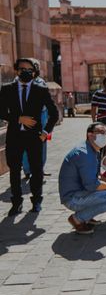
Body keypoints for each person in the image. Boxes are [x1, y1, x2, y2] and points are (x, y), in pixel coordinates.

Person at [0, 58, 59, 215]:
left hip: (34, 137)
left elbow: (54, 114)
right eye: (22, 68)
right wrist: (18, 118)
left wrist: (45, 133)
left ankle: (37, 200)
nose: (25, 71)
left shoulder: (40, 89)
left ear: (34, 72)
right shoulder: (7, 89)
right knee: (14, 170)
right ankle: (16, 202)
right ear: (16, 70)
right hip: (14, 136)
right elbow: (1, 111)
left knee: (36, 170)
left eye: (29, 69)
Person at [59, 122, 106, 234]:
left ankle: (87, 216)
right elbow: (92, 185)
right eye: (101, 132)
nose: (104, 136)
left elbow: (94, 177)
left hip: (81, 192)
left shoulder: (93, 149)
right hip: (73, 198)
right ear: (90, 135)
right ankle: (78, 219)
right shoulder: (85, 153)